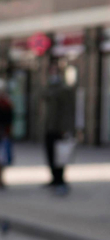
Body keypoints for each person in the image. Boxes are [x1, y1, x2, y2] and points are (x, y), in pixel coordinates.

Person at [41, 65, 78, 196]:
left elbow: (69, 111)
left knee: (60, 156)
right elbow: (42, 96)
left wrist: (67, 128)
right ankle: (54, 178)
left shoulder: (64, 89)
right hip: (49, 128)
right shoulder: (49, 88)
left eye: (55, 72)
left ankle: (60, 180)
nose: (53, 75)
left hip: (59, 129)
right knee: (50, 155)